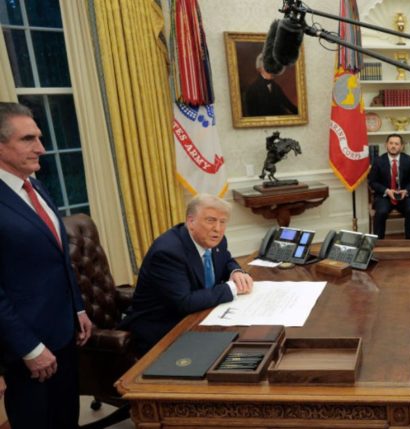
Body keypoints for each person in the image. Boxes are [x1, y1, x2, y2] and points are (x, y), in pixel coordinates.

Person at [0, 102, 93, 428]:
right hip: (26, 348)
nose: (41, 148)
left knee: (66, 418)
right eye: (28, 139)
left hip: (64, 333)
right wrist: (29, 348)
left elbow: (58, 259)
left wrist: (77, 309)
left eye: (39, 137)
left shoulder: (34, 184)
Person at [120, 194, 254, 355]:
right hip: (163, 330)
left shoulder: (216, 239)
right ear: (191, 222)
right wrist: (232, 288)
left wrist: (236, 271)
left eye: (222, 222)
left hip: (199, 318)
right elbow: (185, 302)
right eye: (210, 220)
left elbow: (226, 259)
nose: (217, 229)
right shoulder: (168, 252)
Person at [369, 134, 410, 239]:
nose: (393, 146)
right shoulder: (378, 161)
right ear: (386, 145)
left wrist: (406, 190)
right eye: (391, 143)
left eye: (396, 144)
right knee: (381, 212)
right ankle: (378, 243)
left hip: (403, 195)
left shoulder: (409, 160)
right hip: (384, 196)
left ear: (402, 146)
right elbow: (372, 182)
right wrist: (386, 190)